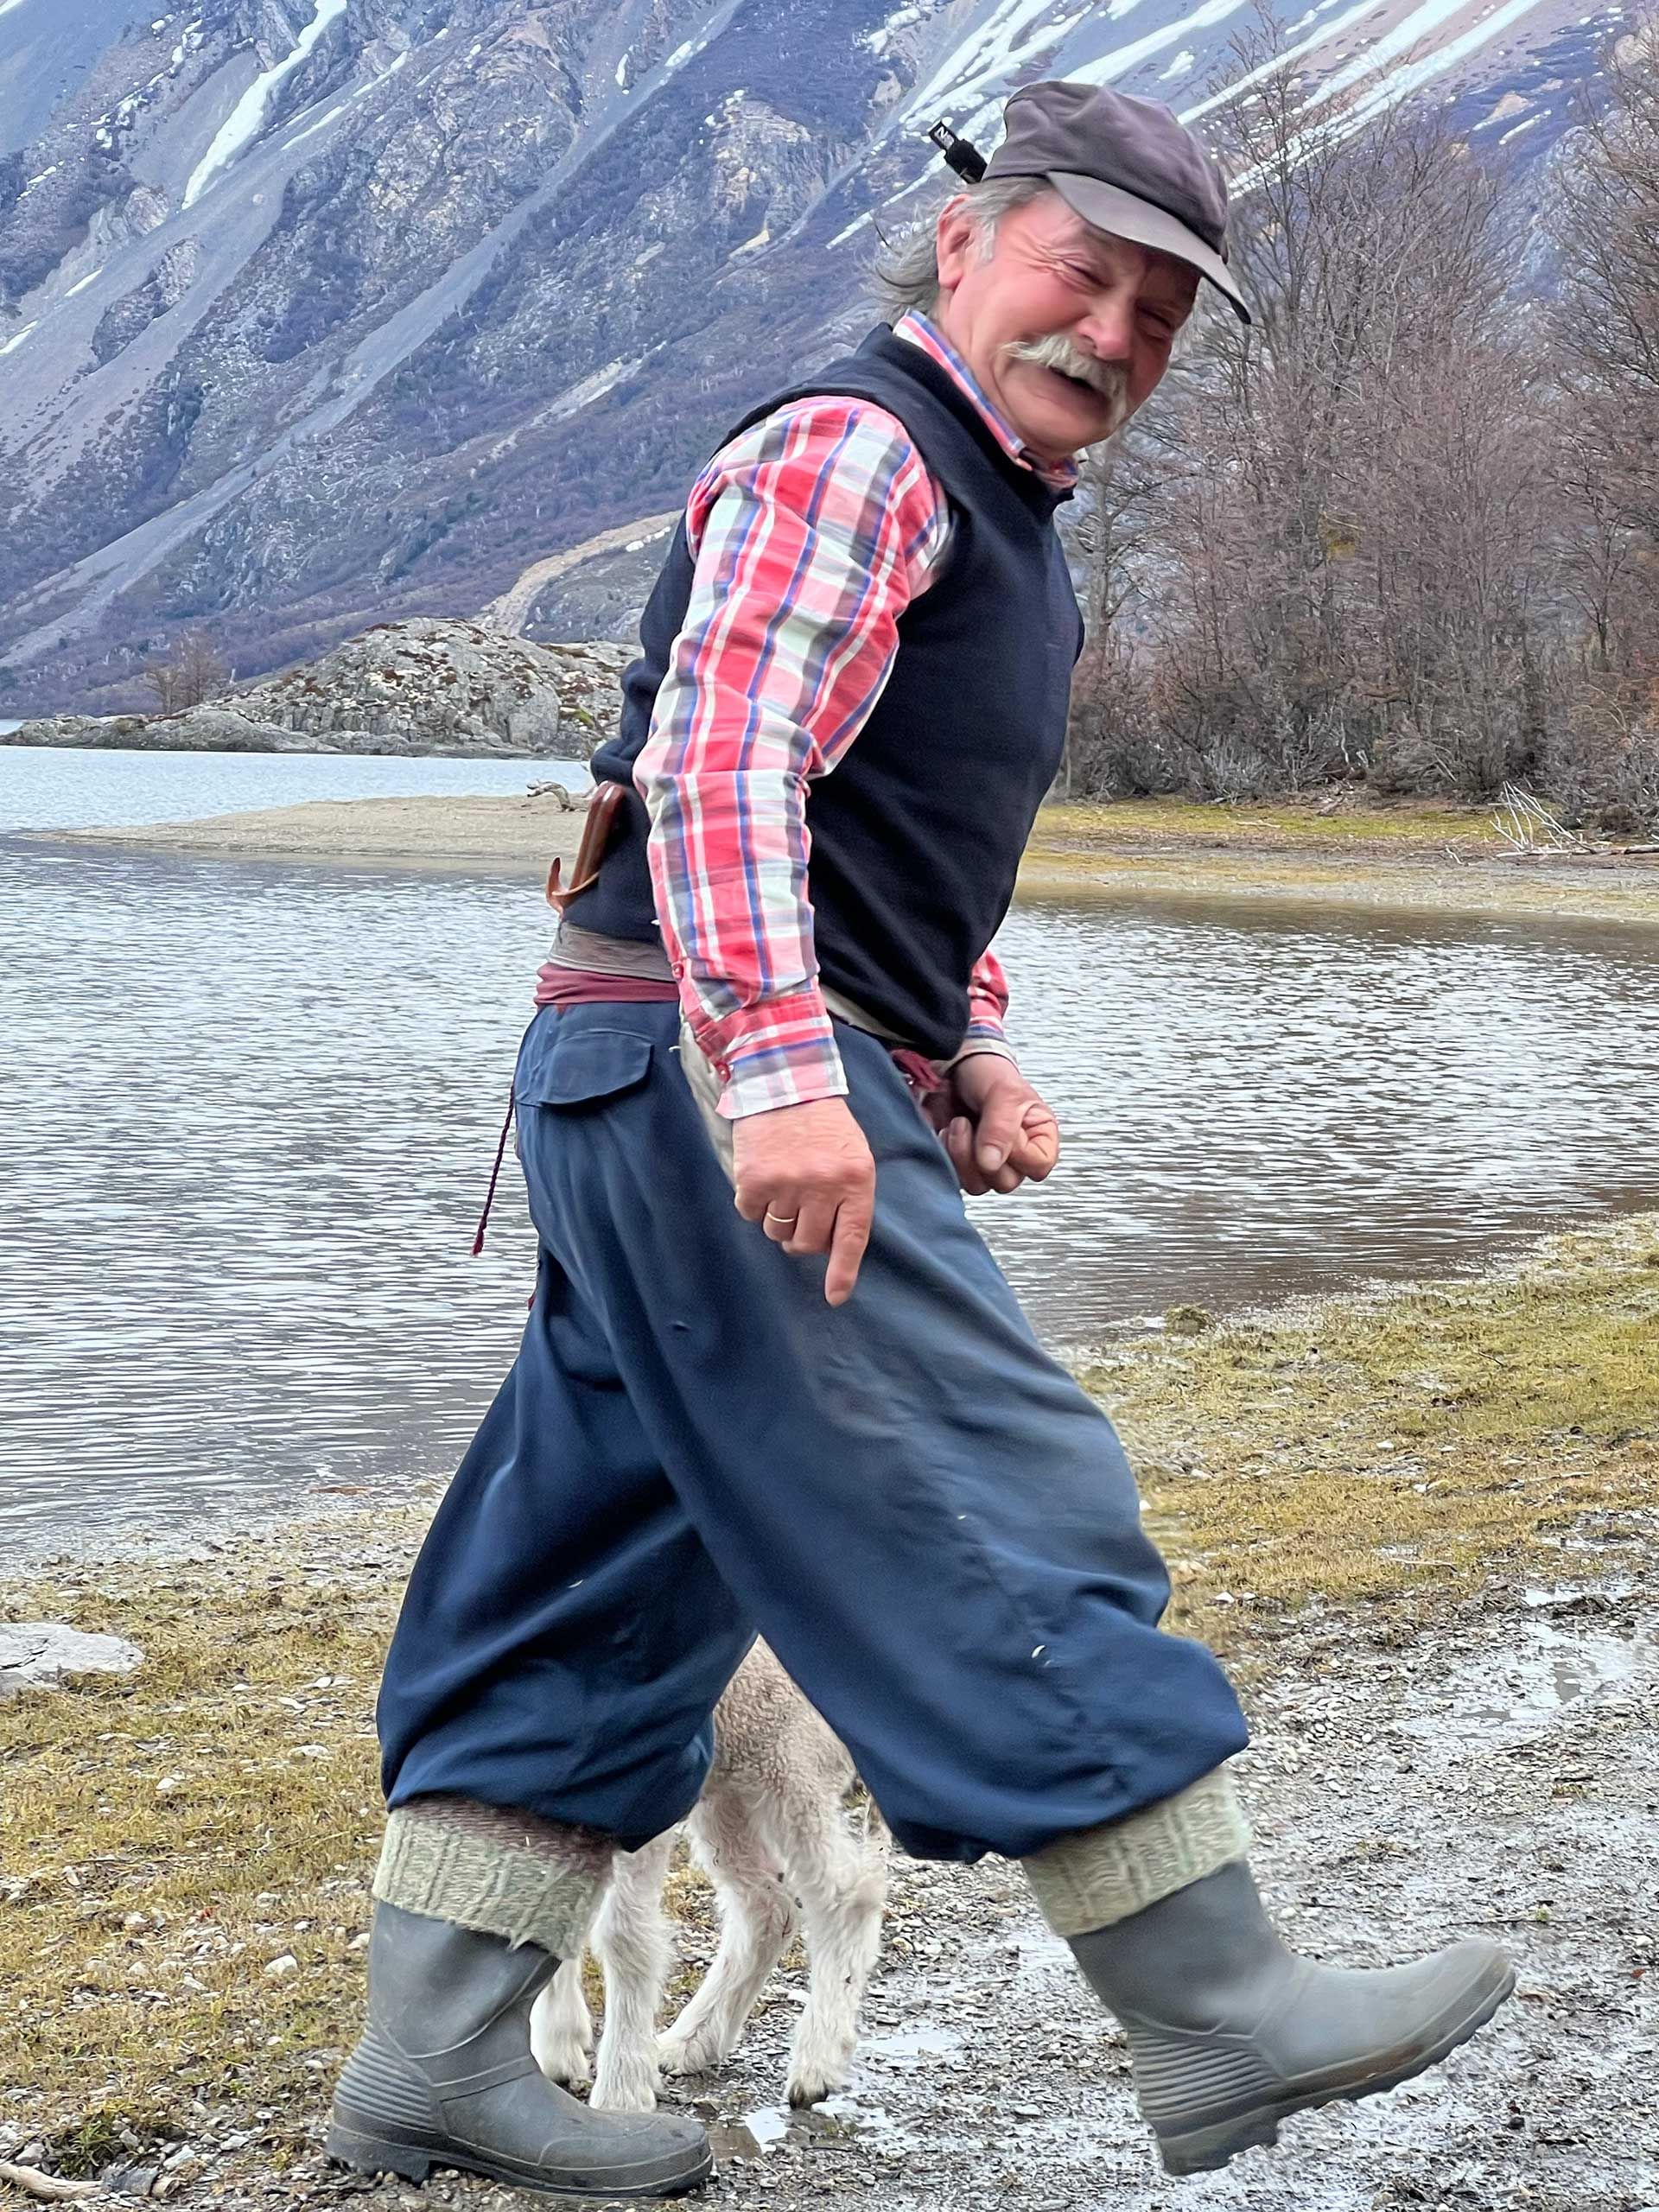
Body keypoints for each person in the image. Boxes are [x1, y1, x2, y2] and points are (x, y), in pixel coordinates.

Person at [327, 80, 1513, 2199]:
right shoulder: (864, 445)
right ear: (967, 244)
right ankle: (1216, 2005)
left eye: (1161, 310)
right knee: (989, 1476)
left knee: (598, 1563)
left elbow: (885, 832)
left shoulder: (1008, 525)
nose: (1118, 329)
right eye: (1089, 270)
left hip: (666, 1064)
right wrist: (789, 1067)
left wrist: (963, 1046)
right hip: (712, 1066)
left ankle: (432, 2056)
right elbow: (720, 757)